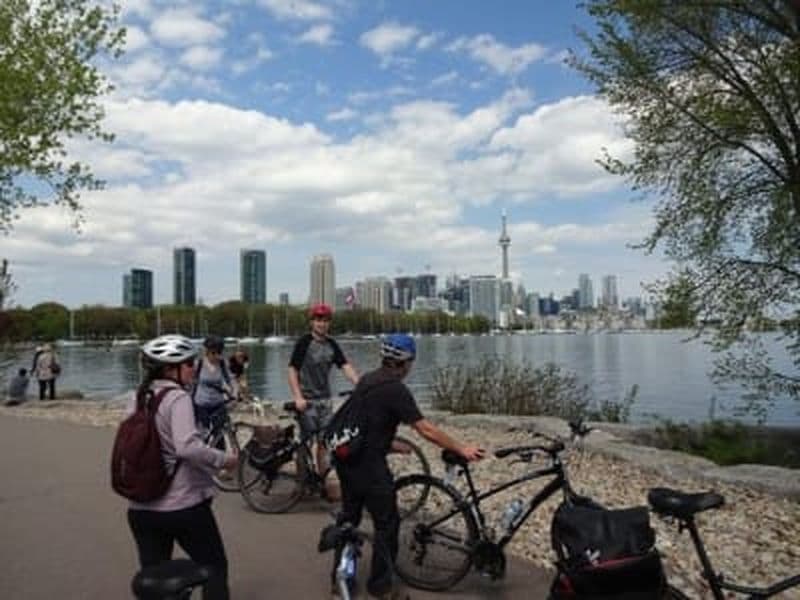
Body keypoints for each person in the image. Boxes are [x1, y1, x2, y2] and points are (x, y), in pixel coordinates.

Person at [332, 334, 485, 599]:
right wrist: (461, 448)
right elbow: (425, 429)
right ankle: (380, 587)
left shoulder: (368, 379)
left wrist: (389, 444)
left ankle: (340, 579)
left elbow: (365, 421)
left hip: (347, 459)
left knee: (349, 519)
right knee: (387, 524)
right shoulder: (395, 389)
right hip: (369, 466)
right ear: (405, 362)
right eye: (411, 361)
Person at [126, 334, 238, 600]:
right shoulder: (177, 398)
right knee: (214, 566)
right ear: (170, 369)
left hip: (141, 508)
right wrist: (224, 459)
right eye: (188, 364)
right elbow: (187, 447)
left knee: (155, 575)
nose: (193, 369)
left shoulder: (137, 397)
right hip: (182, 505)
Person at [288, 303, 359, 475]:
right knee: (306, 442)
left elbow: (345, 366)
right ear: (312, 322)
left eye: (326, 320)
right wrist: (298, 397)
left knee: (324, 442)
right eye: (318, 320)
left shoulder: (331, 344)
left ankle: (322, 478)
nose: (322, 324)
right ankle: (302, 480)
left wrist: (360, 383)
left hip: (325, 400)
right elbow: (292, 370)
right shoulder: (304, 342)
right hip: (306, 401)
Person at [193, 335, 236, 431]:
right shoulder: (198, 364)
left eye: (219, 352)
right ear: (207, 351)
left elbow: (231, 379)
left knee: (219, 433)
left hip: (218, 404)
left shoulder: (222, 363)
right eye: (213, 353)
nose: (216, 356)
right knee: (203, 433)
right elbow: (190, 383)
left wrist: (234, 392)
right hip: (201, 404)